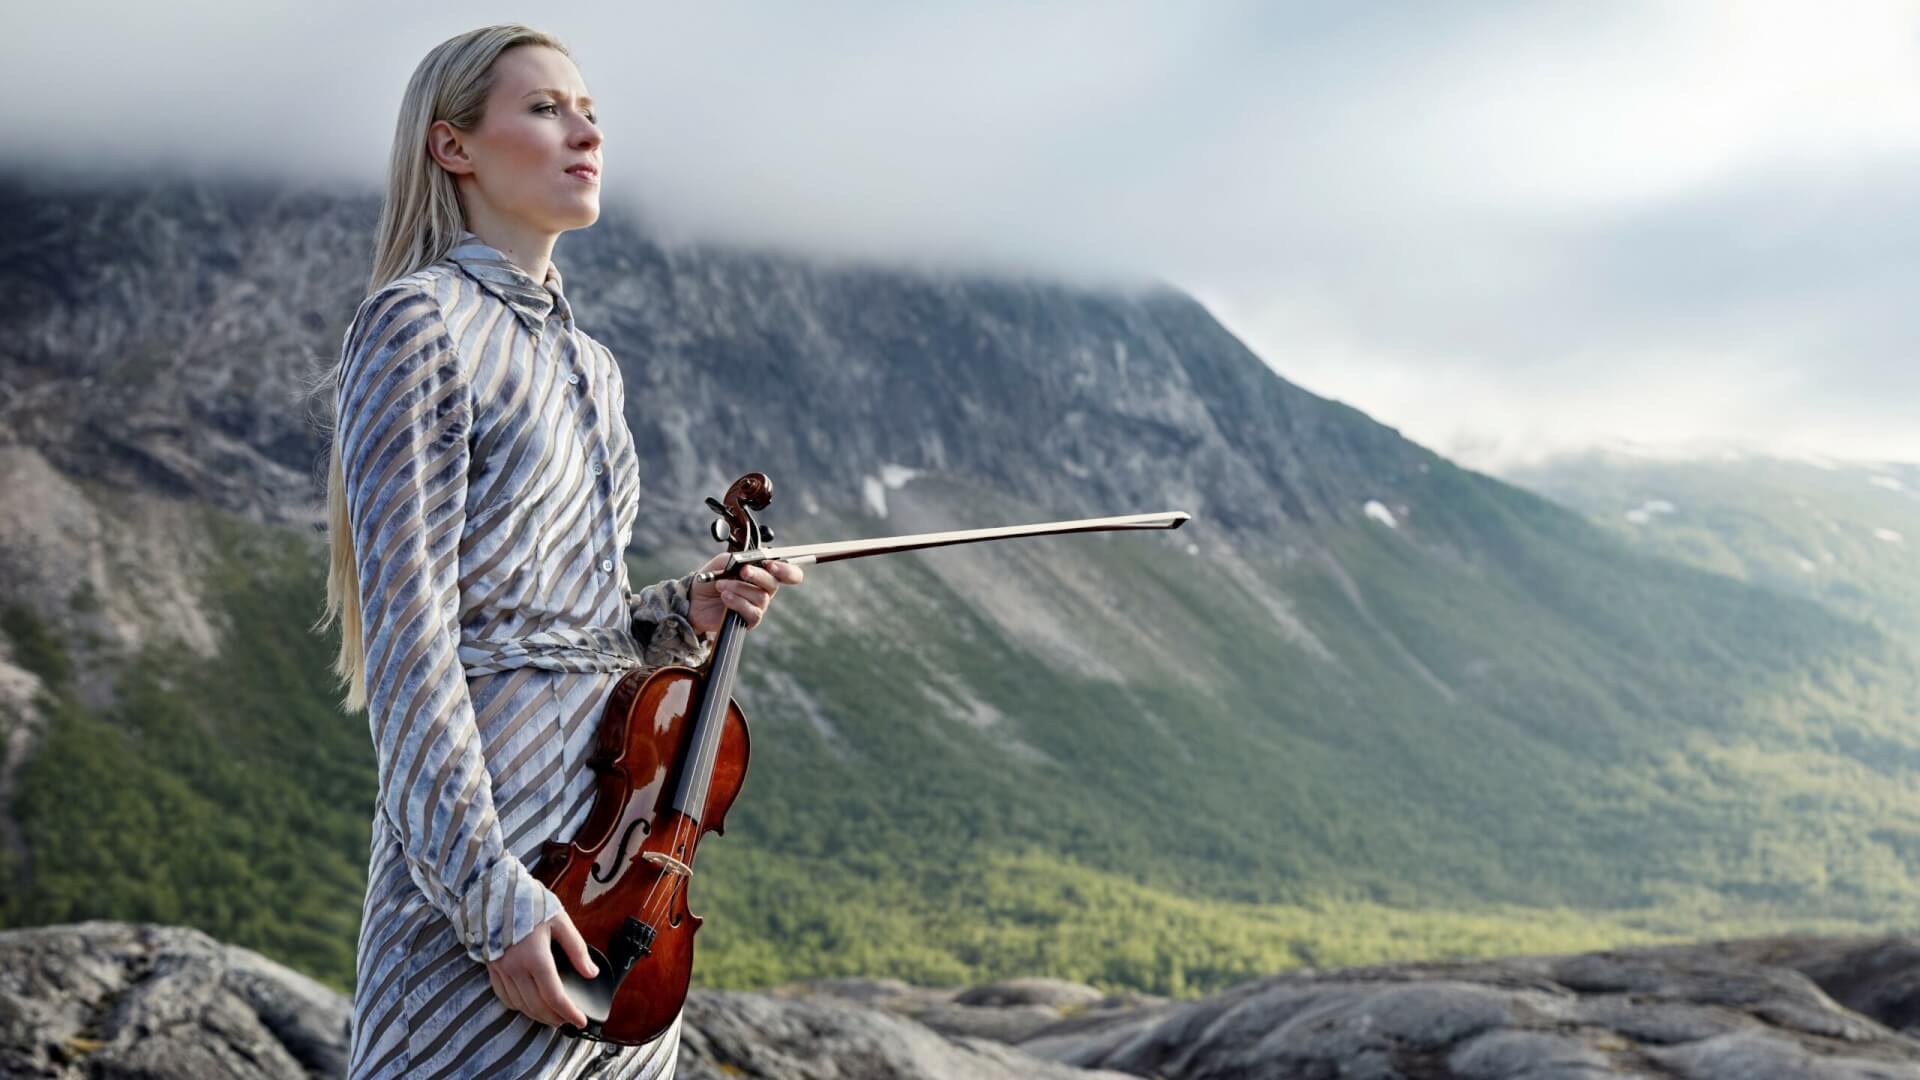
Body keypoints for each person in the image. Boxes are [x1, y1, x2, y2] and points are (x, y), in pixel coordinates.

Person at [312, 24, 803, 1080]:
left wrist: (689, 609)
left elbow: (579, 617)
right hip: (494, 848)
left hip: (610, 850)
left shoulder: (595, 364)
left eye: (591, 111)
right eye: (545, 108)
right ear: (454, 147)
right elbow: (414, 638)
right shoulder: (417, 324)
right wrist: (489, 900)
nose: (585, 130)